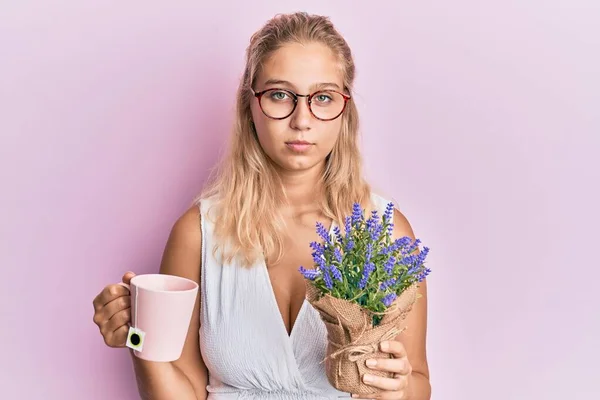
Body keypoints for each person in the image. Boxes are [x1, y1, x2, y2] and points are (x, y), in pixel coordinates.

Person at [92, 11, 431, 400]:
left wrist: (397, 391)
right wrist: (140, 335)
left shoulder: (386, 234)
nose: (302, 119)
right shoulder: (197, 233)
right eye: (279, 95)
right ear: (249, 106)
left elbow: (417, 379)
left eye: (322, 97)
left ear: (345, 110)